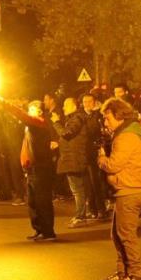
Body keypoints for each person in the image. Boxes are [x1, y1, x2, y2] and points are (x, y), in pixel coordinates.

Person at [97, 98, 141, 280]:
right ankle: (123, 272)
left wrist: (102, 158)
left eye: (107, 117)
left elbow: (113, 165)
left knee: (126, 235)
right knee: (117, 234)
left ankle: (136, 275)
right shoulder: (130, 132)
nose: (105, 122)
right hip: (128, 189)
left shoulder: (126, 136)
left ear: (119, 116)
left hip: (130, 190)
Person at [6, 100, 57, 241]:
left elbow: (21, 115)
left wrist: (3, 102)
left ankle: (48, 232)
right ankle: (39, 229)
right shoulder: (31, 126)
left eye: (31, 109)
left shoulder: (39, 122)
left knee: (42, 201)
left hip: (41, 167)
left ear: (39, 111)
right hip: (32, 168)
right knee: (33, 202)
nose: (29, 112)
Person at [51, 97, 91, 226]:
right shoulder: (74, 119)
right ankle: (81, 215)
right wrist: (59, 143)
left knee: (77, 190)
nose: (63, 108)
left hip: (74, 159)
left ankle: (81, 217)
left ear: (74, 105)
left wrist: (56, 123)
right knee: (78, 189)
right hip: (72, 158)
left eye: (66, 105)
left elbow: (67, 133)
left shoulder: (77, 118)